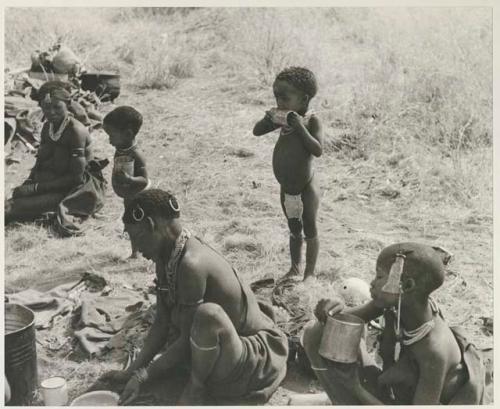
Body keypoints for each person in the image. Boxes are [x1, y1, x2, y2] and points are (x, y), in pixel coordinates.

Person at [98, 189, 288, 405]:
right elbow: (161, 323)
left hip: (251, 356)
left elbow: (187, 341)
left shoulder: (191, 264)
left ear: (151, 225)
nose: (137, 249)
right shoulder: (165, 256)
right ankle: (197, 375)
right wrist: (132, 371)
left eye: (137, 238)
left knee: (207, 315)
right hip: (216, 344)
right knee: (178, 338)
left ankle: (196, 386)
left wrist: (143, 377)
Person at [301, 242, 486, 405]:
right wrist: (332, 311)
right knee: (317, 333)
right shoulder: (397, 303)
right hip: (393, 391)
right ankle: (341, 400)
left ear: (407, 286)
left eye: (379, 277)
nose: (372, 284)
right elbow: (341, 322)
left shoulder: (433, 351)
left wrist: (355, 388)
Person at [4, 81, 107, 236]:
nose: (51, 112)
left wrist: (36, 189)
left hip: (78, 190)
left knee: (10, 208)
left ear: (68, 105)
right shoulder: (47, 128)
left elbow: (76, 179)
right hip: (53, 182)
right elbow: (40, 163)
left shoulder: (75, 132)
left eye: (57, 107)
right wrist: (29, 183)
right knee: (13, 199)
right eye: (46, 107)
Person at [252, 66, 323, 283]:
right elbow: (256, 131)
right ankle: (294, 268)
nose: (279, 102)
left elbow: (317, 149)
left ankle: (309, 273)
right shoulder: (281, 119)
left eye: (285, 98)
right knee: (294, 229)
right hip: (286, 188)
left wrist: (300, 127)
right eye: (276, 97)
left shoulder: (311, 120)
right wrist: (268, 120)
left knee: (309, 229)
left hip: (306, 188)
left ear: (303, 99)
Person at [103, 106, 150, 258]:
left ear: (128, 134)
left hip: (139, 198)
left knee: (139, 225)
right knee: (130, 224)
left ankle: (142, 252)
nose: (109, 140)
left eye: (111, 136)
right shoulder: (121, 149)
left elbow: (144, 181)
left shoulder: (136, 155)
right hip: (128, 198)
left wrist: (129, 180)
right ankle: (135, 251)